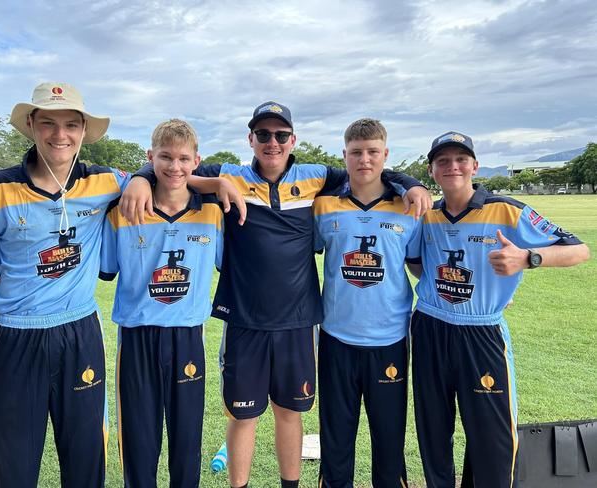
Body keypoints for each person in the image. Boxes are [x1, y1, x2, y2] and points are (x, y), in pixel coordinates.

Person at [121, 101, 432, 488]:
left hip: (298, 321)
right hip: (244, 319)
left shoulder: (317, 176)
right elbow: (173, 168)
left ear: (292, 139)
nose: (273, 142)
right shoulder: (228, 174)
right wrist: (139, 176)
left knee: (290, 412)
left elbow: (369, 168)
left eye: (281, 135)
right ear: (250, 138)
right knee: (243, 417)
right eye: (263, 134)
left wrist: (413, 183)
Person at [0, 82, 127, 488]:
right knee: (13, 467)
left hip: (80, 334)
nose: (59, 134)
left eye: (71, 124)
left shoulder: (107, 182)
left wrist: (140, 181)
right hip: (16, 338)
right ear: (31, 125)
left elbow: (168, 174)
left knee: (86, 462)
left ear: (84, 130)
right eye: (48, 122)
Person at [410, 131, 590, 488]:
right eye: (443, 161)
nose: (452, 167)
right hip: (430, 326)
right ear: (431, 170)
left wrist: (527, 257)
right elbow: (417, 264)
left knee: (493, 440)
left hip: (481, 334)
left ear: (474, 165)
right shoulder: (426, 215)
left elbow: (578, 249)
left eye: (460, 159)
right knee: (433, 434)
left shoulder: (506, 210)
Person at [100, 119, 223, 487]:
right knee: (139, 439)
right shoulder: (122, 211)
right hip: (136, 338)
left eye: (184, 158)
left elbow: (233, 265)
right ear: (149, 157)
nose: (175, 166)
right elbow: (104, 268)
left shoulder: (213, 213)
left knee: (187, 440)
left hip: (188, 337)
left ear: (196, 160)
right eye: (166, 157)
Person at [313, 118, 420, 488]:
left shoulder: (409, 207)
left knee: (389, 444)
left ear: (385, 154)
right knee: (336, 442)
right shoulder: (324, 206)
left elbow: (423, 266)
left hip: (389, 340)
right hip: (336, 339)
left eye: (373, 151)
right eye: (356, 152)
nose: (364, 159)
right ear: (344, 155)